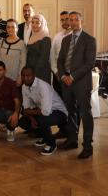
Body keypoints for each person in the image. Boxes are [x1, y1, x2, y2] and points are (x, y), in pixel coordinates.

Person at [57, 11, 97, 159]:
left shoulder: (90, 40)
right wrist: (63, 76)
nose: (73, 22)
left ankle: (87, 146)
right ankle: (72, 140)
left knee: (85, 113)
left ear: (81, 21)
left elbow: (89, 64)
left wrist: (72, 76)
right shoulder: (65, 40)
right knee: (71, 111)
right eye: (70, 20)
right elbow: (60, 60)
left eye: (75, 20)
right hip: (66, 82)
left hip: (81, 82)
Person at [18, 67, 68, 156]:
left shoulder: (43, 86)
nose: (25, 78)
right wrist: (32, 118)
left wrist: (29, 112)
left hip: (59, 112)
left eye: (28, 76)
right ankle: (45, 137)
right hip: (42, 111)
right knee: (23, 122)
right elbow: (26, 108)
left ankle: (51, 144)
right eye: (23, 76)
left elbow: (45, 112)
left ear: (34, 76)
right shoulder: (24, 87)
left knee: (42, 120)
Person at [0, 19, 26, 85]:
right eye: (8, 27)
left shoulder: (22, 44)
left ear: (17, 29)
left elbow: (23, 63)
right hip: (1, 77)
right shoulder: (2, 41)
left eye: (13, 27)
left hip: (14, 78)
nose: (10, 29)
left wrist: (20, 77)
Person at [50, 11, 72, 97]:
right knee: (59, 100)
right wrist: (56, 72)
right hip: (58, 74)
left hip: (71, 76)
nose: (64, 22)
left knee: (71, 102)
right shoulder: (57, 36)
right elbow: (52, 56)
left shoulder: (76, 36)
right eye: (62, 20)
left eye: (66, 19)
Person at [26, 14, 51, 84]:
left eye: (37, 23)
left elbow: (44, 58)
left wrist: (34, 73)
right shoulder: (31, 37)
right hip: (31, 72)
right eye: (32, 22)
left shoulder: (46, 38)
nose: (34, 25)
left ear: (42, 24)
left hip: (41, 73)